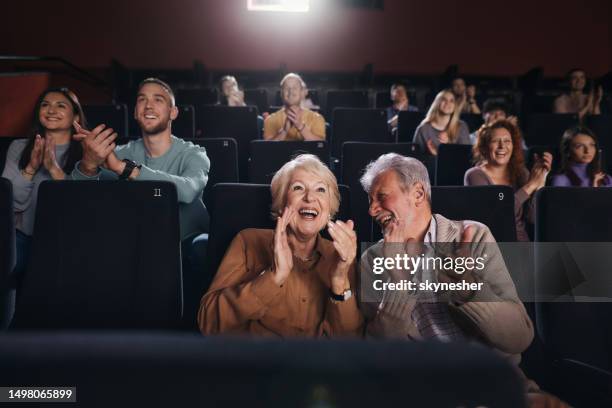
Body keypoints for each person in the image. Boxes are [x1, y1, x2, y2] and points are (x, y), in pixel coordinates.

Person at [358, 152, 568, 407]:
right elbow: (383, 355)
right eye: (370, 200)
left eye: (381, 197)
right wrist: (399, 280)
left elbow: (519, 338)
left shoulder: (473, 236)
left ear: (418, 194)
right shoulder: (372, 260)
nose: (371, 210)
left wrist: (466, 288)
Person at [198, 154, 363, 337]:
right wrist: (273, 277)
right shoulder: (248, 241)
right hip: (259, 360)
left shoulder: (341, 254)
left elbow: (351, 341)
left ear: (329, 209)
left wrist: (340, 279)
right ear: (281, 202)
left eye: (321, 190)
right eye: (298, 188)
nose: (310, 198)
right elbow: (209, 323)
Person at [71, 77, 210, 240]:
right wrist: (89, 164)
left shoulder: (194, 153)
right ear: (136, 112)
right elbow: (79, 201)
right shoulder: (118, 153)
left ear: (173, 112)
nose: (149, 106)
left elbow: (188, 192)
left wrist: (126, 169)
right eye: (142, 100)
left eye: (158, 100)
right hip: (135, 243)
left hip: (185, 244)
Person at [2, 87, 86, 275]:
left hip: (65, 241)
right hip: (21, 239)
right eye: (45, 105)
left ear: (76, 118)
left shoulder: (87, 153)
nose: (51, 110)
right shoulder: (19, 147)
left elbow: (80, 207)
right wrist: (30, 169)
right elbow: (8, 203)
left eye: (60, 105)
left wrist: (54, 169)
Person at [464, 120, 552, 242]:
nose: (502, 146)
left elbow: (532, 218)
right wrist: (530, 186)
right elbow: (496, 217)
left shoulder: (521, 172)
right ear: (484, 147)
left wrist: (540, 182)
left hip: (522, 245)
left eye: (507, 141)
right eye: (495, 141)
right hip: (492, 244)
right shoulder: (474, 175)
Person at [263, 73, 325, 141]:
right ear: (281, 93)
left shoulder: (317, 118)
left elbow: (321, 146)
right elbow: (268, 149)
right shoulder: (270, 120)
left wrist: (301, 126)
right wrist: (284, 131)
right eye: (286, 88)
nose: (291, 91)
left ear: (302, 92)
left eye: (295, 88)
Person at [413, 89, 471, 156]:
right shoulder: (423, 128)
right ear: (437, 103)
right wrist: (433, 156)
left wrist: (446, 148)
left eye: (452, 101)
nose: (447, 103)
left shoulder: (462, 126)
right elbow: (416, 158)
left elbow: (466, 155)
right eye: (444, 100)